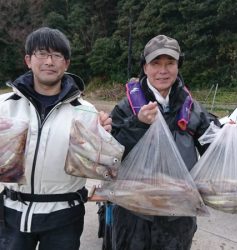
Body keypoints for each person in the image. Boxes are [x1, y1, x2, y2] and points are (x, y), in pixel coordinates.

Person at [0, 27, 112, 250]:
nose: (49, 61)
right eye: (42, 53)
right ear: (28, 60)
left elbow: (101, 165)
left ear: (67, 63)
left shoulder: (87, 112)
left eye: (57, 55)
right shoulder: (4, 106)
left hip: (65, 215)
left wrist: (105, 139)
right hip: (12, 212)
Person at [109, 34, 221, 250]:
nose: (163, 70)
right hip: (133, 214)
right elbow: (110, 154)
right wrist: (138, 123)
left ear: (178, 66)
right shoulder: (126, 108)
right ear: (145, 67)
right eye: (156, 63)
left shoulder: (192, 108)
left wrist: (227, 134)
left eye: (170, 63)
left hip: (177, 216)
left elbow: (212, 147)